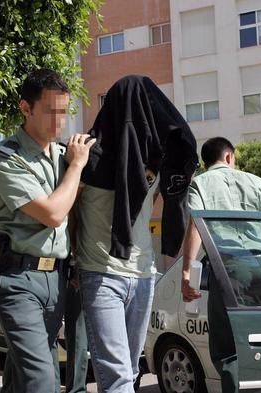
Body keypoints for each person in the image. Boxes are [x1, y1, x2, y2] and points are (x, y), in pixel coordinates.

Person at [75, 75, 198, 393]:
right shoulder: (86, 154)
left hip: (141, 275)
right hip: (101, 274)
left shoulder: (149, 158)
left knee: (129, 373)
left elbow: (144, 207)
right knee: (117, 376)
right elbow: (71, 211)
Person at [0, 68, 95, 393]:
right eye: (50, 111)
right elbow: (53, 214)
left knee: (20, 379)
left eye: (64, 111)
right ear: (25, 108)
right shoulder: (5, 159)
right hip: (19, 282)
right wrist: (76, 166)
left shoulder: (63, 155)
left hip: (56, 280)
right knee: (41, 381)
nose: (59, 121)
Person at [180, 137, 261, 393]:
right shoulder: (256, 182)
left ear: (206, 161)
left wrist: (186, 273)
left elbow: (195, 226)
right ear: (229, 157)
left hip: (229, 270)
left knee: (229, 351)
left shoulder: (200, 184)